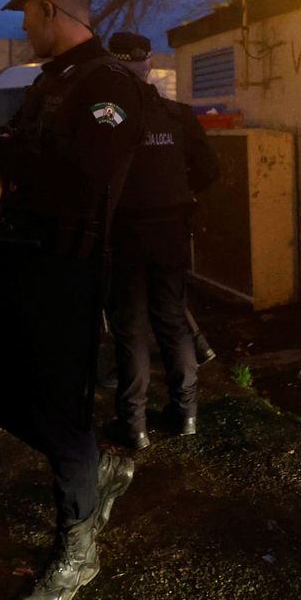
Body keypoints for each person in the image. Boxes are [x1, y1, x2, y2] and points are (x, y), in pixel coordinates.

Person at [0, 0, 143, 600]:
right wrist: (0, 153)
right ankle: (97, 472)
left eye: (28, 17)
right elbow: (33, 154)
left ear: (49, 11)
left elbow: (82, 181)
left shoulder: (110, 85)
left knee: (60, 418)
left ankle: (78, 550)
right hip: (18, 264)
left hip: (65, 276)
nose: (25, 30)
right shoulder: (54, 83)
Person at [101, 31, 220, 450]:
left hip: (124, 234)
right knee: (172, 320)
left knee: (130, 328)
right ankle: (185, 414)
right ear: (148, 63)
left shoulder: (107, 117)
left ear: (113, 66)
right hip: (170, 231)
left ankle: (133, 424)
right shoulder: (178, 115)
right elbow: (209, 171)